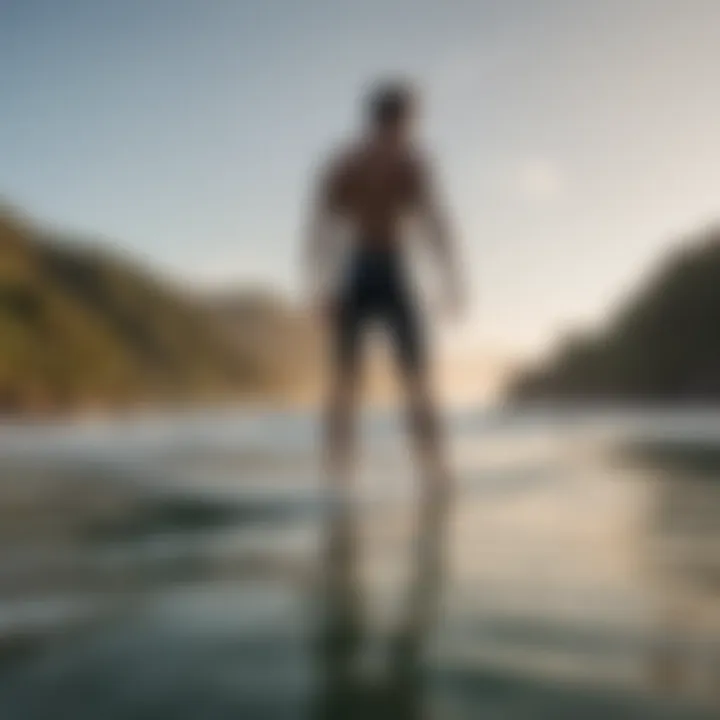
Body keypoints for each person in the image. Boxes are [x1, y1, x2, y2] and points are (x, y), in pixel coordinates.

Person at [304, 80, 463, 490]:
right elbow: (322, 226)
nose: (409, 131)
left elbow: (431, 222)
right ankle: (350, 475)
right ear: (398, 119)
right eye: (409, 121)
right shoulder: (368, 164)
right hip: (371, 270)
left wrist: (450, 278)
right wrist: (321, 285)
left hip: (375, 270)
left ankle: (425, 471)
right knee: (368, 378)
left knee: (387, 378)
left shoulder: (380, 163)